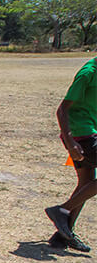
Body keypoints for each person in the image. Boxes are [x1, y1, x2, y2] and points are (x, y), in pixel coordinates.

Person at [46, 56, 97, 252]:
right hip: (81, 136)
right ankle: (62, 210)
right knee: (86, 183)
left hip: (89, 132)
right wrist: (70, 143)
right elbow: (62, 109)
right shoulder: (88, 73)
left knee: (86, 183)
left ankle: (63, 235)